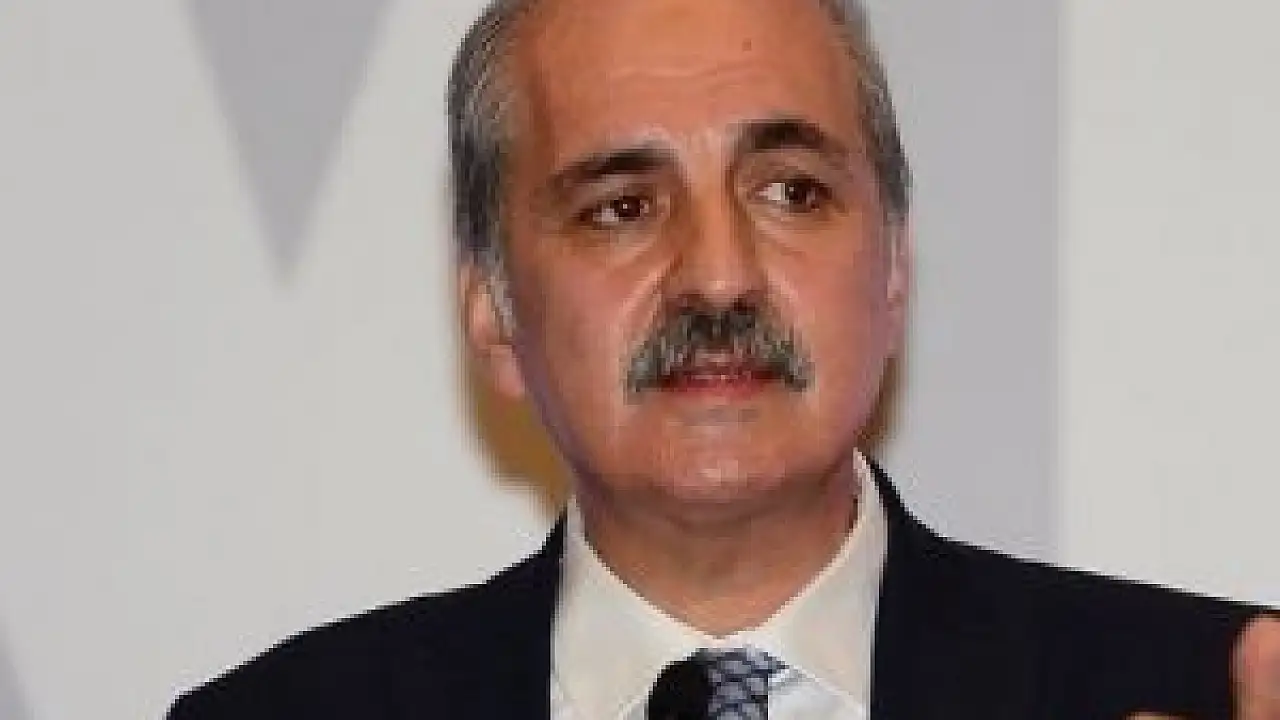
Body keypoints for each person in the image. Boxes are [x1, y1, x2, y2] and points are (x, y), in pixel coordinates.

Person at [168, 0, 1278, 718]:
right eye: (620, 207)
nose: (717, 277)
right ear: (495, 313)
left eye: (791, 191)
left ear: (893, 268)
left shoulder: (1199, 688)